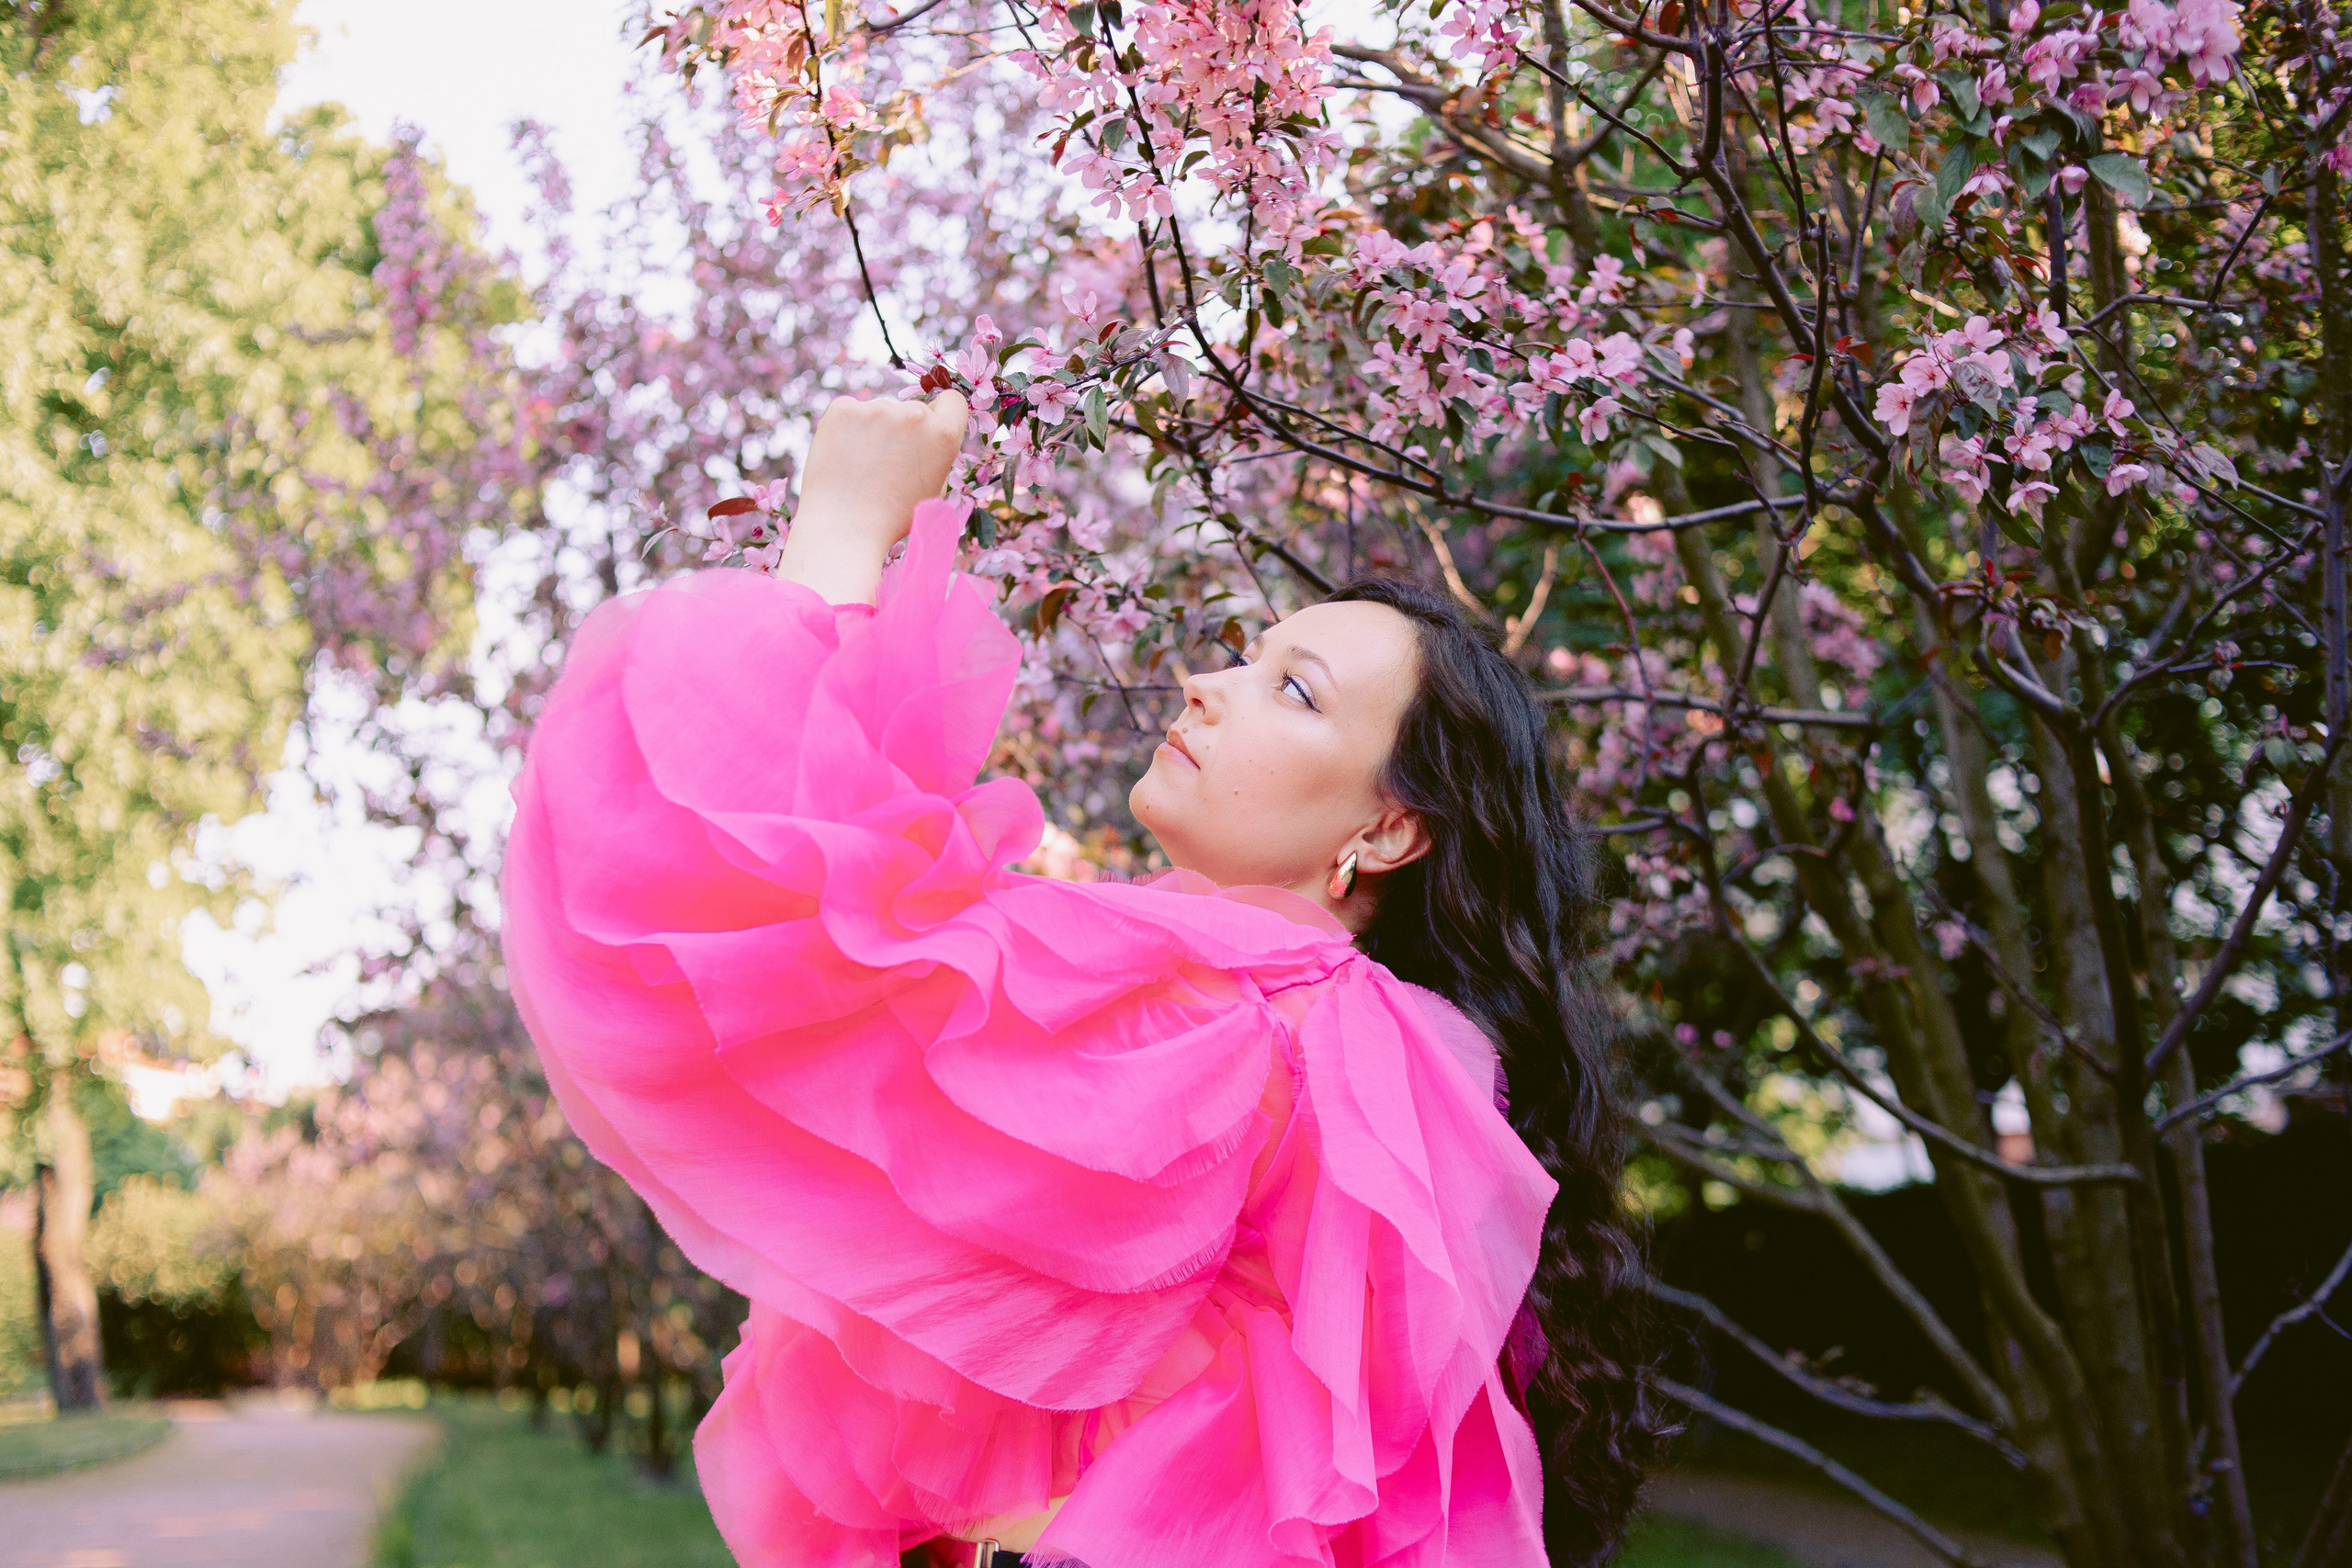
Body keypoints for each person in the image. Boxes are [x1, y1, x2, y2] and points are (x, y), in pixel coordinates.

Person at [502, 392, 1651, 1568]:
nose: (1211, 685)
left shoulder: (1255, 1031)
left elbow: (789, 929)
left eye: (1294, 691)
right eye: (1247, 658)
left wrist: (843, 523)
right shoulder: (1284, 1020)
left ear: (1391, 828)